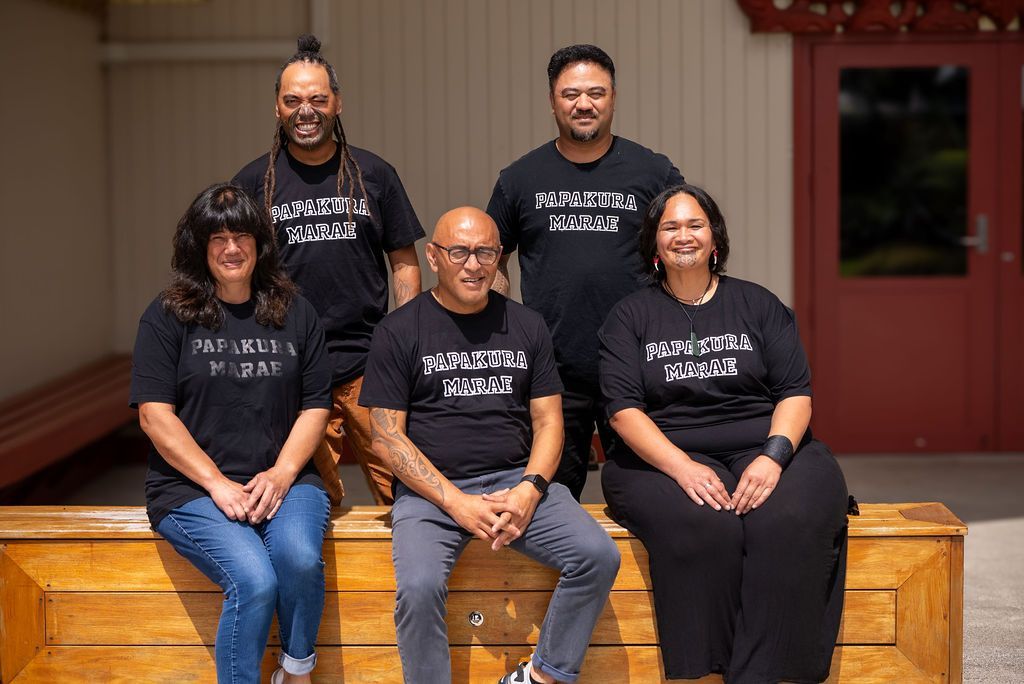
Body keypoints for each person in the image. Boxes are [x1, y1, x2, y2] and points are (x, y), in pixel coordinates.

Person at [598, 184, 850, 682]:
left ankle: (763, 672)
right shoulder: (629, 317)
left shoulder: (757, 304)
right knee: (708, 525)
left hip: (765, 442)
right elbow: (624, 411)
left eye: (695, 225)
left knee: (790, 519)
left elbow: (795, 391)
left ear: (715, 238)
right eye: (670, 227)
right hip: (664, 453)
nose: (683, 236)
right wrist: (682, 467)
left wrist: (774, 456)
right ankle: (705, 670)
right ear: (653, 243)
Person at [359, 207, 621, 684]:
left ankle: (543, 675)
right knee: (418, 588)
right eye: (459, 251)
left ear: (500, 258)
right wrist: (456, 502)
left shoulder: (527, 325)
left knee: (598, 555)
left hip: (515, 481)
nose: (473, 264)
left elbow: (549, 424)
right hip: (432, 494)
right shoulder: (399, 331)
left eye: (485, 252)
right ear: (434, 257)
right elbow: (385, 436)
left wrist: (530, 488)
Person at [130, 183, 333, 684]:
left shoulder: (295, 312)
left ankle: (296, 670)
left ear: (260, 243)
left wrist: (284, 473)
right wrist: (217, 483)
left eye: (242, 235)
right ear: (198, 246)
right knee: (254, 580)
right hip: (192, 490)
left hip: (286, 481)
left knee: (300, 558)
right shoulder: (167, 315)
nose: (231, 248)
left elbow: (316, 407)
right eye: (217, 237)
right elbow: (155, 415)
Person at [487, 44, 685, 500]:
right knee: (551, 498)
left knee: (648, 493)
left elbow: (683, 242)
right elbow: (491, 259)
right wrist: (503, 333)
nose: (583, 104)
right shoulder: (520, 179)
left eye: (595, 92)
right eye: (570, 93)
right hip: (553, 371)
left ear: (613, 98)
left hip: (639, 365)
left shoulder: (652, 171)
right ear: (552, 101)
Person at [233, 34, 424, 506]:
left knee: (401, 492)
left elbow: (403, 262)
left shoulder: (373, 174)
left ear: (337, 103)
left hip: (368, 366)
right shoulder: (253, 182)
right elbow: (232, 272)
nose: (306, 110)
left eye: (318, 98)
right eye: (293, 100)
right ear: (277, 108)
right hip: (289, 367)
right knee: (309, 500)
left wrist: (407, 341)